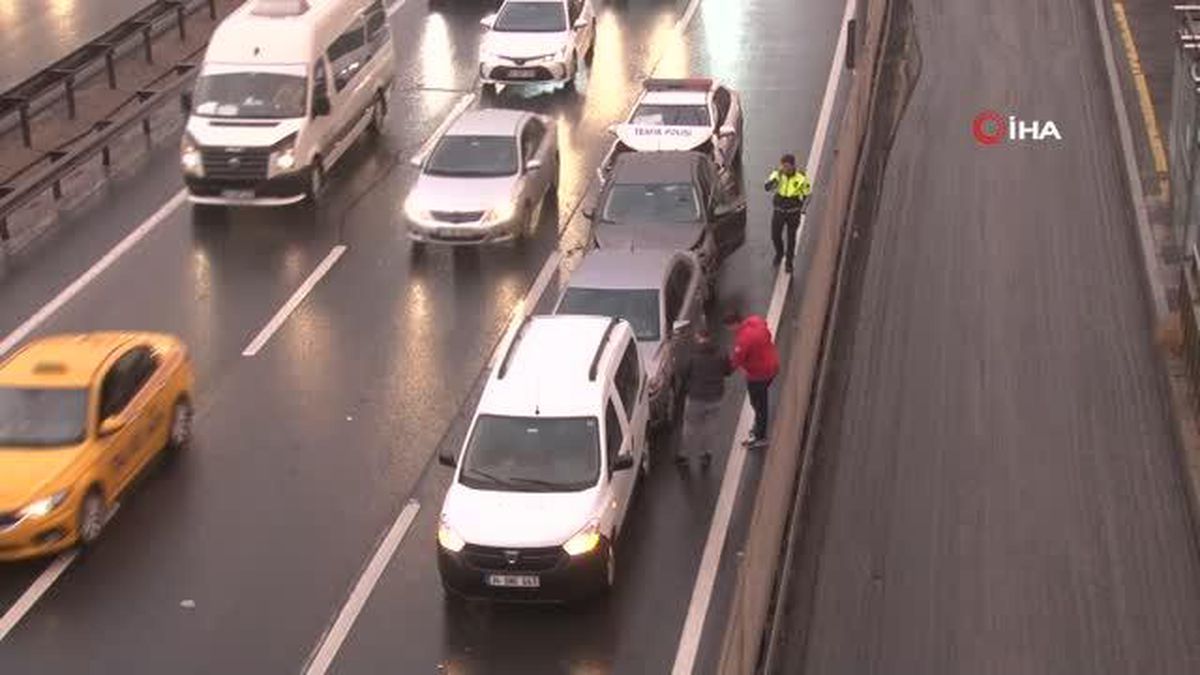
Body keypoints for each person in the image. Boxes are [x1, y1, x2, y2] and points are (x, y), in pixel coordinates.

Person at [676, 326, 732, 468]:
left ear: (699, 337)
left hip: (696, 397)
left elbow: (683, 373)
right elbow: (728, 371)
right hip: (715, 397)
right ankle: (706, 454)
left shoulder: (693, 356)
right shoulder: (721, 354)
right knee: (710, 425)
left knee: (690, 426)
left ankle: (684, 455)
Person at [726, 310, 779, 448]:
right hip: (772, 366)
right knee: (760, 400)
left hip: (758, 375)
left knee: (759, 404)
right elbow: (765, 327)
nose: (729, 330)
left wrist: (724, 371)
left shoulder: (743, 340)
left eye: (730, 327)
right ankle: (759, 428)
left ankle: (760, 436)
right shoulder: (755, 321)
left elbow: (735, 362)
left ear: (735, 324)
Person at [763, 153, 813, 274]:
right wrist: (776, 179)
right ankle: (779, 253)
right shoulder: (778, 174)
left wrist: (804, 209)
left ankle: (789, 262)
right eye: (783, 166)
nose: (785, 169)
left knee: (791, 238)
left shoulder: (801, 177)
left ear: (793, 165)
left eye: (787, 166)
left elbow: (808, 194)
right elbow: (767, 187)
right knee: (775, 235)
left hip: (793, 212)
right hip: (779, 211)